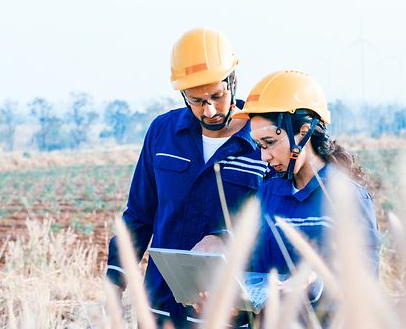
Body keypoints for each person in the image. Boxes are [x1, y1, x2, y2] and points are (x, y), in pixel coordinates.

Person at [106, 28, 271, 328]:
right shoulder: (162, 133)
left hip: (225, 313)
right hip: (159, 309)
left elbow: (275, 223)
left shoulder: (265, 141)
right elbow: (139, 215)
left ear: (233, 80)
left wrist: (225, 239)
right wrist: (115, 279)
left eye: (217, 96)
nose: (208, 110)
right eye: (196, 100)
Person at [231, 70, 381, 317]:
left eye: (269, 142)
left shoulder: (348, 198)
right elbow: (250, 270)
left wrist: (316, 281)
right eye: (259, 145)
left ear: (303, 132)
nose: (264, 156)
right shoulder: (267, 194)